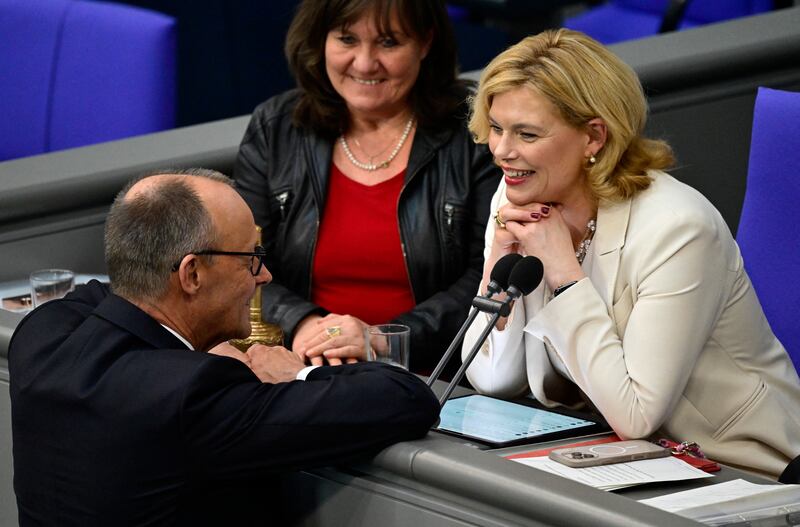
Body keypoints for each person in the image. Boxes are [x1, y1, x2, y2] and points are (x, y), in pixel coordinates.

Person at [8, 169, 439, 526]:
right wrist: (296, 374)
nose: (264, 276)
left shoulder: (43, 335)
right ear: (192, 274)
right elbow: (405, 397)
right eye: (250, 258)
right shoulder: (194, 396)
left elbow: (108, 297)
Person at [462, 29, 800, 479]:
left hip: (737, 466)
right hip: (601, 451)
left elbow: (637, 416)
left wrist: (562, 269)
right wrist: (497, 269)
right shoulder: (521, 191)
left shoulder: (678, 228)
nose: (502, 151)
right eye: (498, 128)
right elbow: (491, 379)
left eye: (526, 133)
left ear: (593, 137)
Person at [234, 0, 500, 373]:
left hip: (436, 375)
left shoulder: (474, 128)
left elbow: (488, 274)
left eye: (388, 42)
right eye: (346, 39)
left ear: (425, 43)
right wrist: (307, 325)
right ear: (320, 40)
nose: (364, 63)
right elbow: (240, 262)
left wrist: (382, 340)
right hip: (302, 366)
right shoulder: (275, 127)